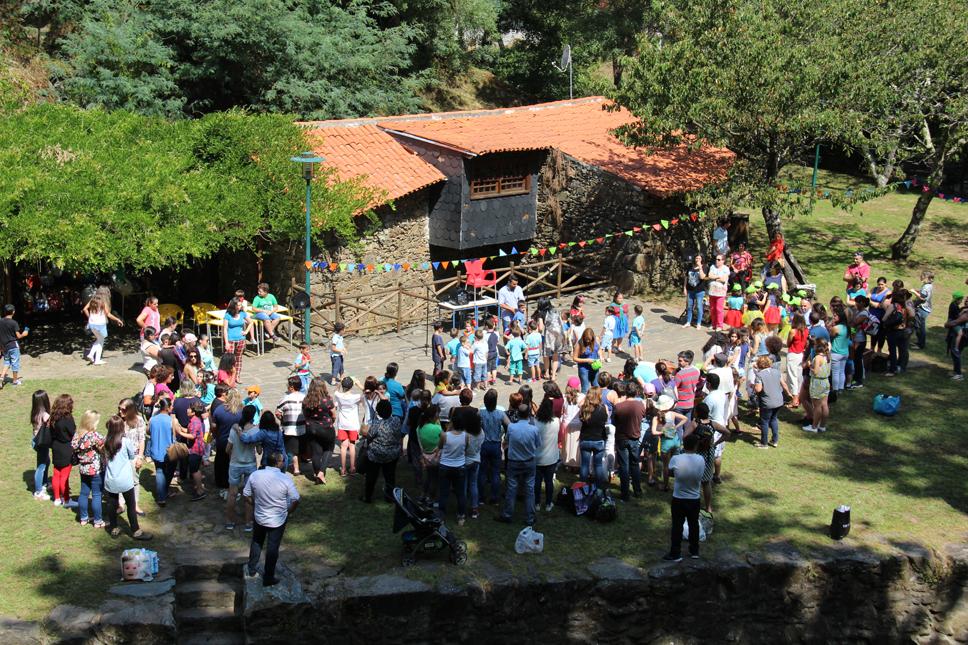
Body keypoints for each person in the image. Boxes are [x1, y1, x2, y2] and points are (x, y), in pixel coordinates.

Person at [245, 452, 299, 587]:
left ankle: (251, 568)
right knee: (272, 547)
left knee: (257, 541)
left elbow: (246, 495)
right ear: (279, 463)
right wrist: (289, 511)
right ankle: (268, 577)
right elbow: (295, 498)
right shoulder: (285, 479)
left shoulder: (255, 475)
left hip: (260, 516)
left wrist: (255, 504)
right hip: (278, 519)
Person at [102, 415, 152, 540]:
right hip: (125, 480)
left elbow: (103, 458)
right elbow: (131, 456)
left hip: (110, 479)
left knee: (112, 505)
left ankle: (114, 528)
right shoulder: (125, 442)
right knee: (131, 505)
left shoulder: (105, 441)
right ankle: (135, 530)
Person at [496, 403, 540, 526]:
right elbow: (537, 444)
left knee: (511, 488)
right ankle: (530, 517)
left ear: (518, 414)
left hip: (514, 462)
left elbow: (507, 441)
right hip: (529, 461)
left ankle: (508, 514)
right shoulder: (534, 429)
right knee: (529, 489)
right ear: (529, 415)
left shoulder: (512, 428)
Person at [663, 433, 704, 562]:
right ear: (696, 446)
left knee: (677, 525)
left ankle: (675, 553)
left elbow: (669, 472)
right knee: (694, 524)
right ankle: (694, 550)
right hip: (694, 498)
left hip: (679, 497)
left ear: (684, 445)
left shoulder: (676, 459)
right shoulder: (701, 459)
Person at [361, 399, 402, 504]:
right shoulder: (396, 421)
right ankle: (390, 497)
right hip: (392, 453)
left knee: (371, 476)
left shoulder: (376, 424)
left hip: (376, 454)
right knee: (390, 476)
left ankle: (368, 496)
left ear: (378, 412)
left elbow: (369, 436)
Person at [225, 405, 258, 531]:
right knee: (248, 493)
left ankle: (229, 521)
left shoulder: (235, 429)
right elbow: (259, 450)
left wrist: (232, 455)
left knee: (232, 493)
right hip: (250, 464)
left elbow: (227, 448)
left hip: (235, 464)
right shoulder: (255, 430)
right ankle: (248, 522)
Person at [72, 410, 106, 528]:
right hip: (95, 469)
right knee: (96, 494)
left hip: (83, 469)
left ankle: (83, 518)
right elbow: (104, 443)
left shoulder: (77, 435)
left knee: (83, 493)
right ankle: (98, 521)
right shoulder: (93, 436)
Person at [612, 382, 646, 501]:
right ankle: (637, 491)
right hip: (634, 438)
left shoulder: (618, 406)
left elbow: (614, 421)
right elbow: (643, 416)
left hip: (622, 438)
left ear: (626, 392)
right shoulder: (640, 405)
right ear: (636, 392)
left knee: (624, 466)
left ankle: (625, 494)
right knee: (634, 464)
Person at [436, 405, 468, 525]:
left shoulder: (444, 435)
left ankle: (441, 516)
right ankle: (461, 516)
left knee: (444, 492)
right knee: (460, 493)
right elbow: (466, 450)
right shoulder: (466, 436)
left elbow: (439, 447)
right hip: (459, 466)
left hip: (445, 465)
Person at [302, 378, 337, 486]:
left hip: (311, 429)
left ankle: (317, 474)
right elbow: (334, 415)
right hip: (326, 428)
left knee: (316, 453)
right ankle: (321, 472)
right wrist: (331, 421)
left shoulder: (306, 400)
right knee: (329, 448)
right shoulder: (327, 400)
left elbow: (305, 415)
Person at [478, 389, 507, 505]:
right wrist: (504, 436)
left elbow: (474, 425)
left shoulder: (480, 413)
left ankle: (481, 497)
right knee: (495, 472)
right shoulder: (500, 414)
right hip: (496, 444)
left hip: (484, 444)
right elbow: (509, 425)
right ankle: (495, 498)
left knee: (482, 472)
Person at [147, 398, 177, 506]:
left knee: (159, 471)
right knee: (169, 471)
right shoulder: (170, 420)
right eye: (171, 406)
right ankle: (164, 491)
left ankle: (161, 498)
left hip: (156, 450)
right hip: (168, 451)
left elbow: (148, 431)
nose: (172, 408)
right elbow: (174, 435)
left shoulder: (153, 419)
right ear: (168, 407)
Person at [534, 392, 560, 512]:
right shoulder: (556, 421)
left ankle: (537, 503)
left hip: (537, 457)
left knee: (537, 482)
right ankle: (549, 503)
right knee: (549, 481)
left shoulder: (535, 422)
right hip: (551, 457)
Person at [751, 356, 785, 448]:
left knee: (765, 421)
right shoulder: (777, 372)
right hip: (778, 401)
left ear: (759, 364)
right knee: (774, 419)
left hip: (767, 402)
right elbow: (783, 384)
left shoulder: (760, 375)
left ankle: (764, 443)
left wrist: (753, 385)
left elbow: (758, 389)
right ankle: (775, 440)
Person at [577, 387, 608, 489]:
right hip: (599, 439)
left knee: (584, 465)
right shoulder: (603, 408)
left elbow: (580, 416)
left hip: (585, 439)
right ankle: (599, 487)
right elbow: (605, 421)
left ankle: (583, 487)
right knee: (598, 465)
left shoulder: (584, 409)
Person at [333, 376, 364, 476]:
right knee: (352, 445)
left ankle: (342, 469)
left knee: (343, 446)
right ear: (352, 386)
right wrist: (358, 384)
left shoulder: (338, 395)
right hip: (353, 424)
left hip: (342, 424)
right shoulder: (356, 397)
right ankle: (352, 467)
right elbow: (367, 393)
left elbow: (336, 390)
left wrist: (339, 383)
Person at [276, 376, 306, 476]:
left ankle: (296, 469)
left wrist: (282, 419)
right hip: (303, 427)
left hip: (290, 428)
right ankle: (302, 463)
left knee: (293, 450)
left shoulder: (286, 399)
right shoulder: (304, 397)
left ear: (291, 387)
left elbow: (278, 412)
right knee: (300, 446)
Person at [50, 394, 77, 507]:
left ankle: (57, 498)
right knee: (64, 477)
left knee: (56, 474)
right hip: (66, 448)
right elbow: (73, 432)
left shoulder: (53, 417)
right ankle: (66, 500)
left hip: (56, 447)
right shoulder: (68, 418)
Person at [82, 294, 122, 365]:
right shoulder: (102, 302)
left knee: (100, 340)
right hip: (100, 325)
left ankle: (97, 359)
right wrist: (117, 319)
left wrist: (90, 317)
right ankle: (91, 355)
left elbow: (85, 309)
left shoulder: (91, 301)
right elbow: (108, 314)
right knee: (100, 340)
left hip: (92, 324)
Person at [803, 339, 831, 433]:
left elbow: (815, 371)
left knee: (817, 406)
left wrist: (810, 365)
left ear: (817, 347)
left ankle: (814, 426)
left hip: (817, 382)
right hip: (826, 382)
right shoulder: (827, 356)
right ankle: (822, 426)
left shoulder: (818, 357)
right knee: (824, 404)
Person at [221, 298, 252, 381]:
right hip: (230, 339)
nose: (239, 306)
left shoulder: (242, 313)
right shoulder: (228, 315)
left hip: (241, 339)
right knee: (229, 358)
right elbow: (225, 329)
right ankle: (228, 375)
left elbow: (251, 322)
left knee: (238, 358)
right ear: (233, 305)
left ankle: (237, 376)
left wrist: (246, 331)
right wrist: (226, 342)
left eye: (240, 305)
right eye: (238, 305)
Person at [30, 390, 51, 500]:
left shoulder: (34, 412)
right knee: (41, 466)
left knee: (46, 461)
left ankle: (44, 483)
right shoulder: (45, 415)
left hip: (36, 441)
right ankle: (38, 492)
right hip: (41, 443)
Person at [0, 304, 27, 386]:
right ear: (13, 312)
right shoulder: (14, 323)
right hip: (13, 346)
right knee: (15, 363)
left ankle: (1, 378)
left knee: (7, 362)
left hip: (4, 347)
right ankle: (15, 381)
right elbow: (18, 336)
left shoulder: (0, 321)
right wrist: (25, 333)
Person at [785, 313, 808, 407]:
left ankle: (794, 400)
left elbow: (788, 343)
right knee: (799, 376)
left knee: (792, 376)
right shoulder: (806, 330)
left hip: (793, 354)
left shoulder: (793, 331)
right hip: (801, 354)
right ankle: (798, 397)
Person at [673, 350, 700, 421]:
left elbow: (673, 388)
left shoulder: (679, 374)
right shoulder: (696, 371)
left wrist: (673, 375)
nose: (678, 363)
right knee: (687, 426)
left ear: (687, 361)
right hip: (691, 402)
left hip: (680, 404)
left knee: (678, 427)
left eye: (680, 361)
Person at [706, 253, 730, 331]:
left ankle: (719, 325)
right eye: (716, 259)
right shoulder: (712, 267)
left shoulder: (726, 268)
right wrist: (718, 277)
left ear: (723, 261)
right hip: (712, 291)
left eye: (719, 259)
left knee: (719, 309)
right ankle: (713, 324)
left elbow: (724, 279)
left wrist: (715, 277)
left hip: (720, 292)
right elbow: (709, 276)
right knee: (712, 309)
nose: (717, 261)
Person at [573, 328, 601, 394]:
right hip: (584, 369)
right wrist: (587, 360)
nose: (588, 341)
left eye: (589, 339)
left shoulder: (596, 340)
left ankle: (596, 401)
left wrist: (601, 357)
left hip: (594, 367)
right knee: (585, 388)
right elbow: (574, 358)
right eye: (586, 339)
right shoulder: (579, 344)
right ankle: (585, 402)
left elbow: (599, 349)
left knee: (596, 386)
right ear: (583, 337)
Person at [683, 255, 707, 329]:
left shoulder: (704, 267)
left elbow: (702, 277)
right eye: (696, 258)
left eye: (699, 258)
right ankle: (688, 322)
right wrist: (684, 288)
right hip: (690, 290)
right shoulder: (690, 267)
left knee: (699, 307)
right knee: (689, 306)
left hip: (700, 290)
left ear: (702, 259)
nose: (697, 260)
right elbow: (686, 278)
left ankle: (699, 323)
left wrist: (700, 267)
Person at [912, 271, 934, 350]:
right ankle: (920, 342)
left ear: (927, 278)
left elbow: (922, 298)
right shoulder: (928, 285)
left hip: (922, 309)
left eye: (922, 276)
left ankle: (920, 345)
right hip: (925, 309)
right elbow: (924, 294)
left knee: (920, 327)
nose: (921, 277)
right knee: (920, 327)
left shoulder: (926, 287)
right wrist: (918, 291)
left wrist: (914, 292)